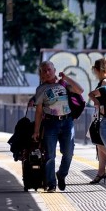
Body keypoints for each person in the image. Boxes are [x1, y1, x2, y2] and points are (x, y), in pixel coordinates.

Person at [33, 60, 84, 192]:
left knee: (68, 153)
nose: (47, 72)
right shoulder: (41, 89)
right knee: (50, 155)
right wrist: (36, 131)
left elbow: (80, 90)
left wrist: (66, 78)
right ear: (42, 74)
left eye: (49, 69)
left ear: (54, 70)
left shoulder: (64, 84)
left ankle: (61, 174)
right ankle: (51, 184)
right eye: (44, 71)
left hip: (67, 122)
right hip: (50, 123)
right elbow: (38, 111)